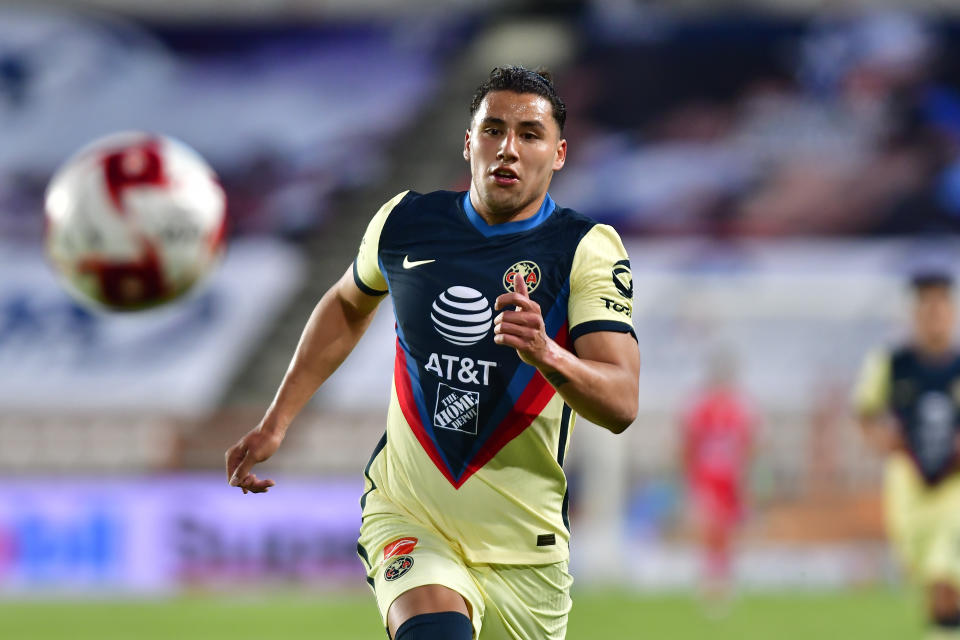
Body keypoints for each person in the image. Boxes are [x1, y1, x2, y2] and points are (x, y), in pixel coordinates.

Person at [225, 66, 640, 640]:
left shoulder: (585, 250)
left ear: (559, 153)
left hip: (525, 548)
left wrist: (549, 355)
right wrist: (277, 421)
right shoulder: (405, 221)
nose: (508, 150)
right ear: (468, 141)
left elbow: (621, 402)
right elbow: (348, 303)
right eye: (493, 130)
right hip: (410, 515)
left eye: (530, 134)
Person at [854, 272, 960, 640]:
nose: (934, 312)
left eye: (941, 304)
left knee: (947, 575)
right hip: (909, 484)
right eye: (926, 304)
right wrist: (884, 441)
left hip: (954, 488)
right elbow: (866, 412)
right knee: (932, 583)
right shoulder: (893, 363)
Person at [680, 349, 754, 606]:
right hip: (707, 477)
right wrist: (690, 476)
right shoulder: (702, 408)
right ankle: (709, 583)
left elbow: (748, 445)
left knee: (727, 531)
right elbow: (688, 444)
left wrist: (745, 476)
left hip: (730, 479)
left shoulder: (739, 409)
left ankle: (724, 582)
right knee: (710, 529)